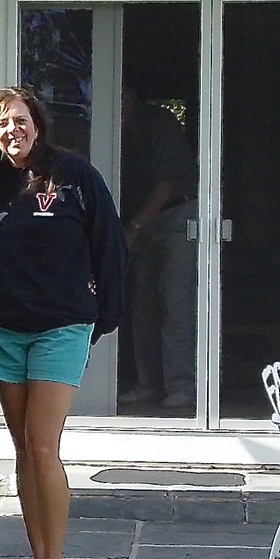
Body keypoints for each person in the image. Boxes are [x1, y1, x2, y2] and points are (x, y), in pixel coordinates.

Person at [0, 86, 125, 559]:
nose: (12, 130)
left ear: (37, 124)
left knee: (42, 446)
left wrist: (105, 314)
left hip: (61, 328)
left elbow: (109, 241)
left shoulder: (72, 174)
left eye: (20, 120)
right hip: (3, 332)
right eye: (1, 124)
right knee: (22, 452)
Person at [118, 87, 198, 412]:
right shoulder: (106, 127)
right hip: (138, 221)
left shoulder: (158, 123)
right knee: (142, 305)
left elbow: (165, 184)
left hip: (177, 217)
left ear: (132, 98)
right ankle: (148, 385)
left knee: (176, 304)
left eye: (121, 99)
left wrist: (134, 229)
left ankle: (184, 388)